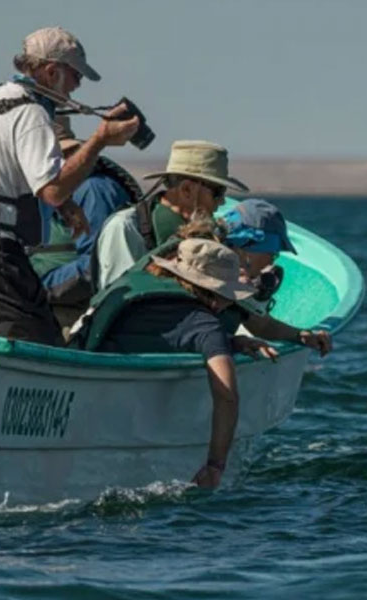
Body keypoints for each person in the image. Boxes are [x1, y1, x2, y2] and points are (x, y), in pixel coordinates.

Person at [0, 26, 139, 345]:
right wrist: (100, 140)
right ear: (52, 72)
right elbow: (51, 189)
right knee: (42, 357)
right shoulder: (30, 112)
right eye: (75, 76)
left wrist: (65, 207)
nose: (77, 87)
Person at [71, 238, 278, 488]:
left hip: (79, 395)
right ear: (217, 293)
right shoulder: (204, 325)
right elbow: (227, 395)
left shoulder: (136, 287)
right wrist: (215, 465)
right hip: (114, 416)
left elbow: (162, 331)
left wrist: (230, 341)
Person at [93, 140, 248, 291]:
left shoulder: (204, 234)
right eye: (218, 192)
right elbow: (118, 299)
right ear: (187, 189)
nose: (221, 202)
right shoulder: (125, 227)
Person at [31, 132, 143, 335]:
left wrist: (38, 287)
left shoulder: (93, 190)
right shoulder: (73, 191)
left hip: (73, 313)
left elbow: (95, 264)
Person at [219, 199, 333, 354]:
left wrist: (301, 335)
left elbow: (261, 325)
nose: (273, 258)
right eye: (271, 252)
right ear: (246, 246)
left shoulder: (232, 278)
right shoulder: (205, 273)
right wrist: (233, 342)